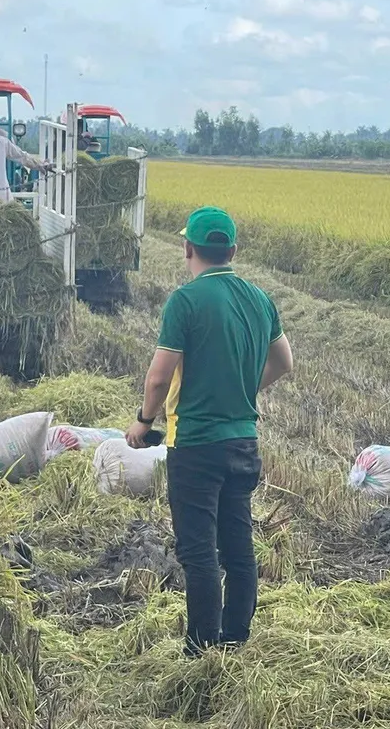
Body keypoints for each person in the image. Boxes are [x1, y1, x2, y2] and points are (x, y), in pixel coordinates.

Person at [125, 206, 293, 658]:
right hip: (243, 442)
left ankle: (201, 651)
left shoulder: (186, 300)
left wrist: (143, 421)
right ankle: (235, 639)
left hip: (196, 445)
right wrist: (241, 388)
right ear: (232, 251)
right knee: (238, 547)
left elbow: (158, 378)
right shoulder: (260, 299)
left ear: (187, 249)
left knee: (199, 552)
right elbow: (284, 362)